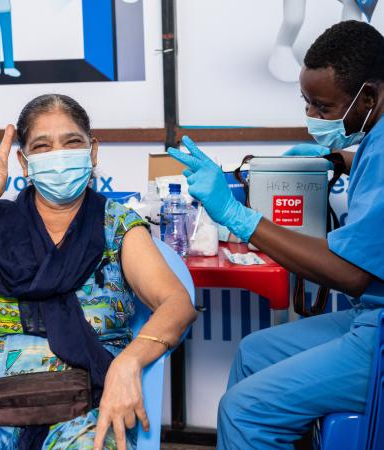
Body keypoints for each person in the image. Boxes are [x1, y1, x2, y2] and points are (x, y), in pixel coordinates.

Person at [0, 94, 197, 449]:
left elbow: (176, 303)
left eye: (72, 142)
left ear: (92, 152)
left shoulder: (116, 226)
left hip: (85, 403)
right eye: (42, 146)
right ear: (24, 163)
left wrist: (129, 362)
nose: (59, 155)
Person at [168, 20, 384, 449]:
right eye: (306, 103)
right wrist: (338, 158)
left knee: (242, 412)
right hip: (369, 318)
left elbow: (352, 274)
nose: (311, 118)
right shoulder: (375, 136)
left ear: (371, 97)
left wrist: (238, 216)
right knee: (252, 353)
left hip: (378, 333)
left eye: (323, 108)